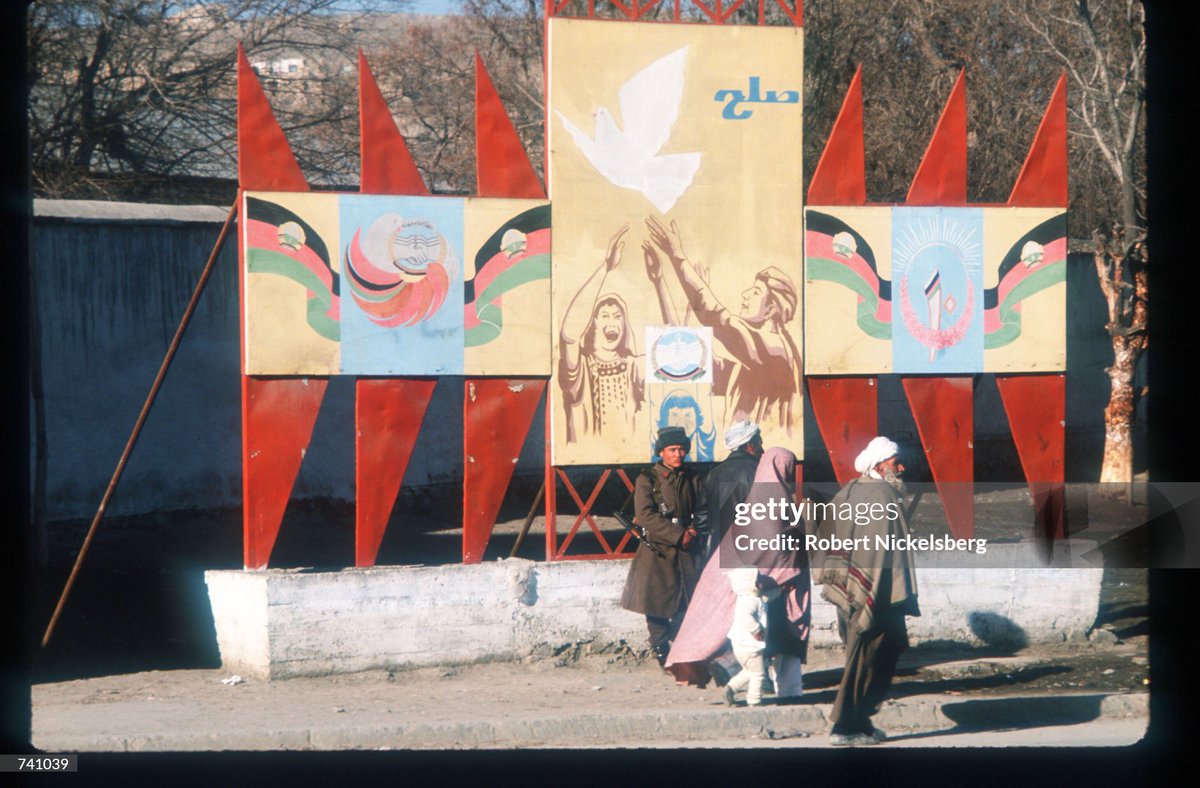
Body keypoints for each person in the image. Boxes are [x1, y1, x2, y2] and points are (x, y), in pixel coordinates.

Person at [665, 447, 811, 698]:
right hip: (774, 587)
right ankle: (778, 690)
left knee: (738, 629)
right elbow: (777, 548)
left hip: (749, 582)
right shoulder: (776, 503)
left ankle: (739, 676)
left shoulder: (754, 502)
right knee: (778, 637)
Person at [644, 217, 802, 436]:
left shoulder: (776, 351)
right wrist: (660, 282)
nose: (744, 296)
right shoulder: (750, 364)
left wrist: (677, 255)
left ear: (771, 310)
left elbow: (717, 317)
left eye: (755, 292)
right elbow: (683, 352)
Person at [815, 436, 921, 746]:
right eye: (894, 462)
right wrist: (871, 593)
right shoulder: (883, 497)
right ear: (878, 465)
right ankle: (846, 726)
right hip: (875, 593)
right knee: (870, 656)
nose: (901, 467)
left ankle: (859, 720)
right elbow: (881, 553)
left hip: (847, 589)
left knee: (869, 653)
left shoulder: (849, 491)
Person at [619, 425, 704, 667]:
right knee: (656, 604)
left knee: (687, 602)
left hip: (687, 552)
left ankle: (686, 649)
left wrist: (695, 528)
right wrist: (678, 535)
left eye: (682, 449)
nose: (678, 454)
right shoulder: (648, 479)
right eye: (672, 449)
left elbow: (702, 508)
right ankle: (661, 650)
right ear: (661, 452)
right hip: (657, 551)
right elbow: (645, 515)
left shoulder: (693, 478)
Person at [558, 223, 643, 443]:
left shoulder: (633, 366)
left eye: (617, 316)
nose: (612, 321)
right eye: (605, 315)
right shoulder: (580, 368)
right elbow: (569, 335)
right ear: (592, 323)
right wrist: (604, 268)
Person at [696, 419, 762, 558]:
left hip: (718, 552)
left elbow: (701, 520)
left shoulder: (712, 475)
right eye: (759, 444)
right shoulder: (758, 472)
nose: (762, 450)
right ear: (749, 446)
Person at [723, 568, 779, 706]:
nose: (762, 583)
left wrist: (779, 591)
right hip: (750, 645)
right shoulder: (751, 601)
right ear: (749, 584)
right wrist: (756, 630)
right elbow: (745, 617)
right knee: (758, 674)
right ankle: (754, 700)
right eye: (758, 581)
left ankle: (731, 688)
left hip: (740, 645)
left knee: (749, 671)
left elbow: (768, 597)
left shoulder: (749, 598)